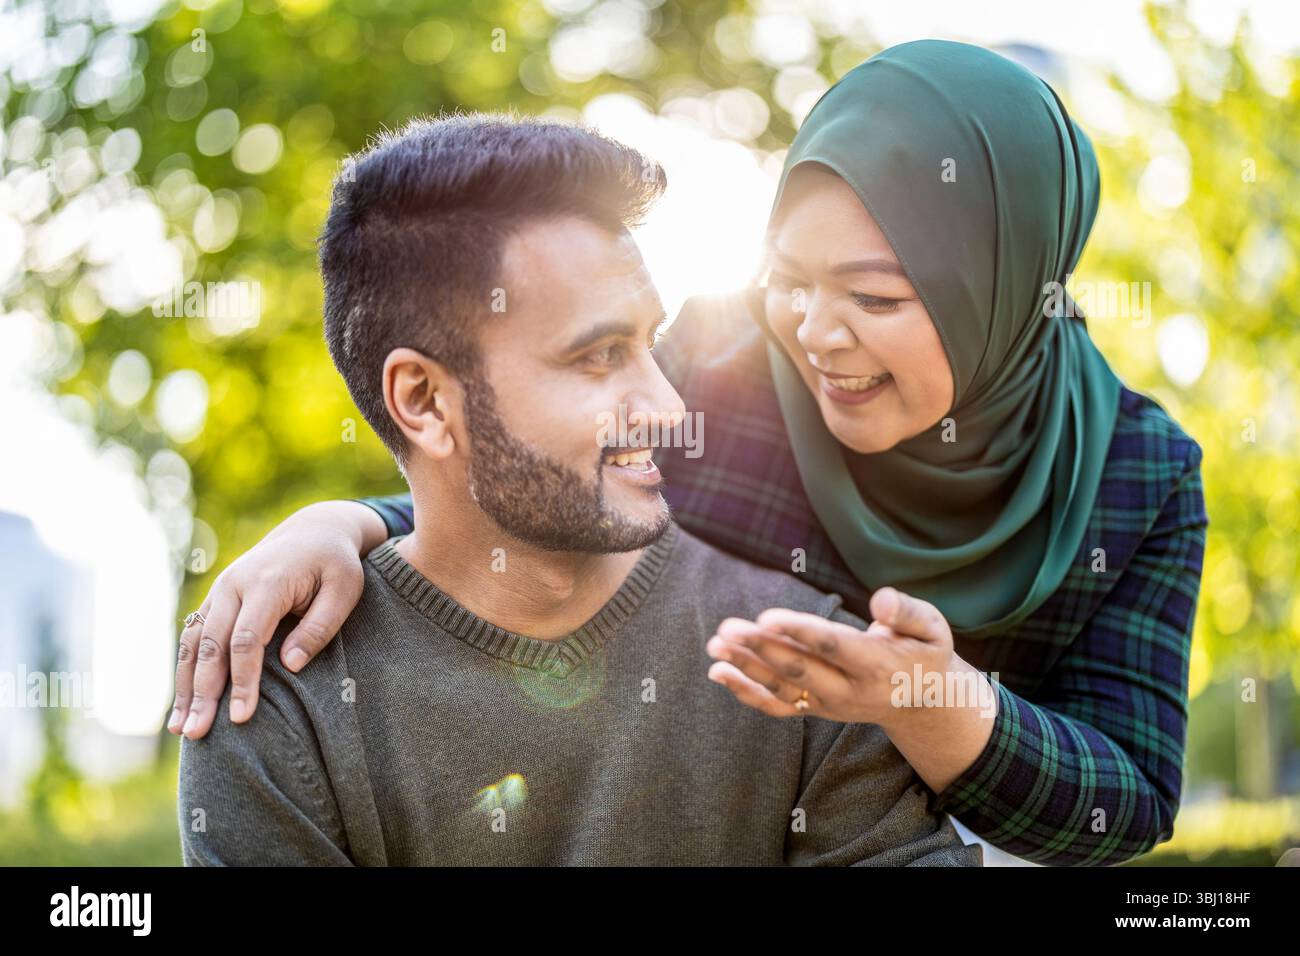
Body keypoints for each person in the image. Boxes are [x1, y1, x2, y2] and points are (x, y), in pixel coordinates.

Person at [173, 41, 1207, 866]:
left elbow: (1129, 799)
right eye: (788, 279)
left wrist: (920, 697)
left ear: (1001, 287)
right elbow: (528, 470)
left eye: (873, 296)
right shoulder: (727, 370)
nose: (816, 334)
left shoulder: (1139, 477)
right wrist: (348, 523)